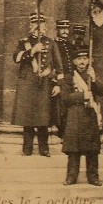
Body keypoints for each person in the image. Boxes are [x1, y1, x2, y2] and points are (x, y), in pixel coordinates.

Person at [11, 13, 62, 157]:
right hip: (27, 83)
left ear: (45, 26)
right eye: (35, 24)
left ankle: (43, 148)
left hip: (45, 83)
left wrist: (57, 84)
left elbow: (59, 67)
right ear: (30, 26)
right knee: (28, 118)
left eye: (41, 24)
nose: (38, 28)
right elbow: (16, 57)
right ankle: (26, 148)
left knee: (43, 118)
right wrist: (32, 51)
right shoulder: (23, 42)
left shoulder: (51, 43)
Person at [61, 48, 103, 186]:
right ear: (74, 61)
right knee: (74, 149)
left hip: (90, 114)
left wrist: (94, 79)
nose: (82, 61)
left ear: (88, 61)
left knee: (92, 149)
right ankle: (71, 177)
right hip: (75, 115)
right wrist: (81, 96)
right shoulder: (69, 78)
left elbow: (102, 92)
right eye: (79, 59)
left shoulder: (91, 76)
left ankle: (93, 177)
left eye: (85, 59)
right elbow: (65, 97)